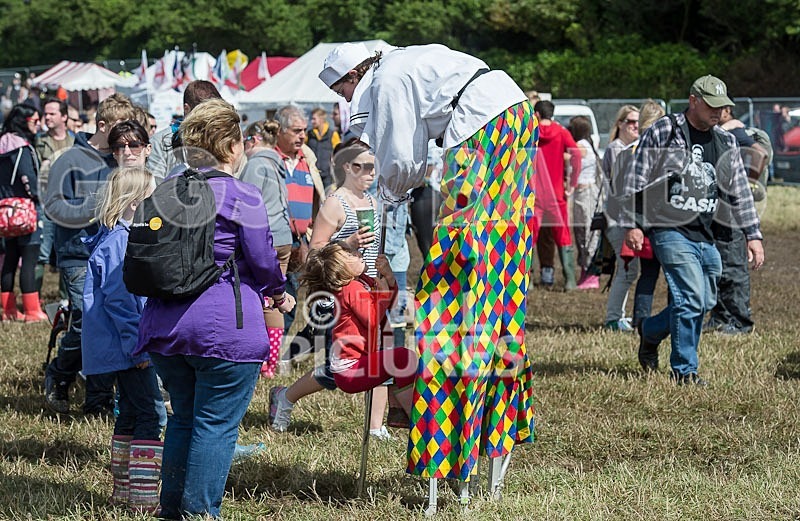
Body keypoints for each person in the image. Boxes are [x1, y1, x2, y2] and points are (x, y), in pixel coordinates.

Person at [319, 42, 536, 481]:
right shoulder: (404, 63)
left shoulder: (389, 76)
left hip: (482, 127)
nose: (343, 97)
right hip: (512, 117)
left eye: (342, 87)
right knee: (493, 267)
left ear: (355, 73)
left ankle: (453, 397)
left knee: (459, 269)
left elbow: (400, 159)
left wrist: (384, 205)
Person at [133, 99, 294, 520]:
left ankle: (171, 510)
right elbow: (262, 260)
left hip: (164, 329)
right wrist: (278, 292)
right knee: (215, 425)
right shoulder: (240, 194)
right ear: (229, 144)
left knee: (183, 420)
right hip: (224, 327)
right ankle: (200, 513)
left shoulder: (165, 190)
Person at [620, 75, 765, 385]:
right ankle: (685, 371)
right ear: (693, 100)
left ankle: (649, 331)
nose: (717, 112)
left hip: (705, 233)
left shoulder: (725, 140)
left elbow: (740, 189)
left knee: (704, 301)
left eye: (722, 107)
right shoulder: (665, 130)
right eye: (711, 106)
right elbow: (636, 177)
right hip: (668, 229)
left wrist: (753, 235)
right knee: (691, 297)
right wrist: (633, 224)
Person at [269, 139, 392, 439]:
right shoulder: (335, 203)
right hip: (340, 293)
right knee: (340, 369)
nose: (370, 173)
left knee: (380, 353)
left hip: (371, 287)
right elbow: (315, 253)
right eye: (362, 167)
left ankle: (375, 427)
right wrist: (346, 244)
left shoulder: (373, 201)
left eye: (373, 167)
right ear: (347, 168)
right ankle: (285, 397)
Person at [43, 93, 138, 415]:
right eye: (118, 131)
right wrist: (96, 208)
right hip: (77, 254)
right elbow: (53, 207)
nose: (124, 140)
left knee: (109, 323)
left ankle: (98, 400)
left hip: (114, 254)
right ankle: (60, 372)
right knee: (87, 320)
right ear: (102, 125)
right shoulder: (70, 159)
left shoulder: (123, 159)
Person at [81, 166, 165, 513]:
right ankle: (144, 498)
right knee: (152, 413)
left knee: (130, 411)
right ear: (135, 203)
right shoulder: (121, 242)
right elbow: (119, 300)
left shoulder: (115, 237)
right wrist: (138, 345)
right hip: (127, 346)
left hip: (120, 345)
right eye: (152, 199)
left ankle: (125, 491)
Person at [306, 242, 415, 412]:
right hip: (350, 369)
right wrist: (383, 293)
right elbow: (372, 319)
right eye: (350, 254)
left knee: (401, 360)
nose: (356, 253)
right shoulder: (351, 288)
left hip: (359, 363)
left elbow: (390, 307)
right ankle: (414, 415)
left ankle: (401, 412)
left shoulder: (363, 281)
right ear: (340, 270)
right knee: (402, 358)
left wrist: (390, 278)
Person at [239, 119, 293, 377]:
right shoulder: (277, 163)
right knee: (275, 298)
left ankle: (262, 361)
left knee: (263, 300)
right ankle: (272, 361)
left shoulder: (255, 165)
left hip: (265, 237)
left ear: (254, 140)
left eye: (245, 142)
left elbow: (246, 202)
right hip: (283, 236)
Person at [704, 105, 765, 335]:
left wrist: (750, 181)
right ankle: (719, 316)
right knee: (717, 267)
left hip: (731, 211)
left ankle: (741, 322)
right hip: (716, 210)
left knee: (733, 269)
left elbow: (761, 153)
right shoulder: (716, 132)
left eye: (719, 108)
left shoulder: (736, 133)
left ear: (727, 110)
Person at [273, 105, 326, 334]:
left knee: (293, 295)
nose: (302, 135)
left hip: (300, 240)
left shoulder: (307, 158)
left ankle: (280, 347)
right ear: (279, 131)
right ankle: (269, 355)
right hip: (274, 240)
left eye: (304, 130)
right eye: (296, 131)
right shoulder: (270, 159)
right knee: (273, 295)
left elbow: (317, 195)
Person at [0, 104, 47, 322]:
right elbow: (29, 180)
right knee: (29, 259)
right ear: (23, 120)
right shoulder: (21, 148)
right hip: (26, 211)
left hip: (5, 212)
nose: (38, 124)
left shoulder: (2, 144)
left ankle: (8, 310)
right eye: (34, 120)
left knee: (10, 259)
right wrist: (40, 197)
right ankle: (32, 310)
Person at [532, 100, 581, 290]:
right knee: (563, 236)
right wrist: (572, 181)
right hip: (556, 193)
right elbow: (576, 154)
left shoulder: (531, 132)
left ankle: (526, 281)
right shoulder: (561, 132)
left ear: (536, 114)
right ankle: (570, 281)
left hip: (534, 194)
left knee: (530, 237)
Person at [627, 100, 666, 329]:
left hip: (641, 215)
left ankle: (640, 319)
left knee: (647, 273)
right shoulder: (658, 146)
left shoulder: (633, 146)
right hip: (659, 215)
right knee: (673, 275)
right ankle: (675, 319)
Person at [602, 105, 640, 331]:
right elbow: (622, 186)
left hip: (621, 217)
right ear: (620, 124)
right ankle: (613, 318)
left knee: (628, 269)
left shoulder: (627, 148)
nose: (635, 125)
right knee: (627, 268)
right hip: (618, 219)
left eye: (638, 122)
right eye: (630, 121)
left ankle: (617, 316)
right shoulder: (617, 148)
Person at [146, 80, 222, 182]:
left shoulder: (222, 138)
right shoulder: (160, 141)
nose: (208, 120)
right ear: (186, 109)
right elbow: (155, 184)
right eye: (202, 113)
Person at [568, 115, 602, 290]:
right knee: (582, 232)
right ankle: (586, 270)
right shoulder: (587, 145)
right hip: (584, 193)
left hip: (586, 193)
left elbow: (569, 157)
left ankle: (591, 273)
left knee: (587, 232)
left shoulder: (581, 146)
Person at [306, 107, 341, 189]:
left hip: (327, 174)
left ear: (321, 119)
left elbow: (339, 153)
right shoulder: (309, 134)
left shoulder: (333, 134)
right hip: (312, 173)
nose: (312, 121)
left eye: (314, 119)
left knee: (327, 197)